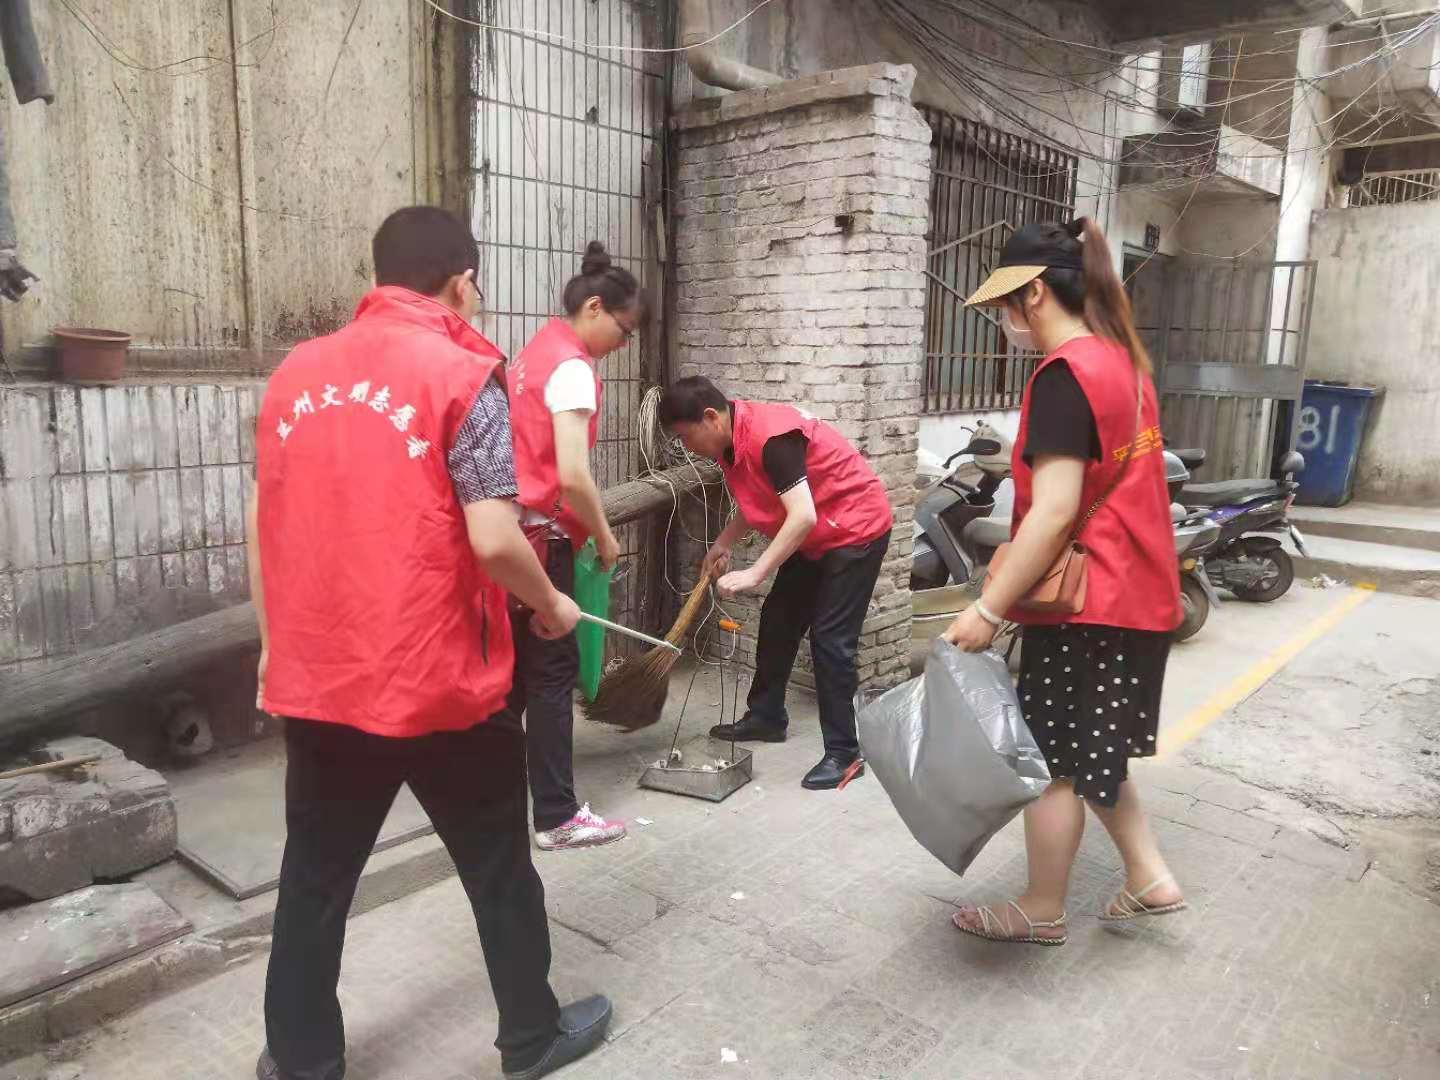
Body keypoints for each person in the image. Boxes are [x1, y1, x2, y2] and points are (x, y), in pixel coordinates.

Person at [248, 206, 611, 1080]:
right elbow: (492, 538)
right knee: (497, 870)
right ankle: (531, 1038)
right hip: (438, 682)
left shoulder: (293, 373)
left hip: (324, 680)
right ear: (461, 281)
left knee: (314, 883)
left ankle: (299, 1062)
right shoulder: (464, 373)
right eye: (476, 284)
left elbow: (265, 523)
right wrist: (552, 601)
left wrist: (272, 648)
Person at [942, 218, 1185, 946]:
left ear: (1035, 292)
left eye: (1003, 306)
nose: (1002, 321)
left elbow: (1051, 513)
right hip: (1139, 597)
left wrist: (989, 604)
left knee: (1052, 765)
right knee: (1090, 750)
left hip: (1089, 602)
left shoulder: (1063, 378)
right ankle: (1149, 878)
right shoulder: (1126, 367)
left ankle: (1042, 905)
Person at [658, 377, 894, 790]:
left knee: (831, 641)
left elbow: (801, 515)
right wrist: (723, 542)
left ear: (710, 417)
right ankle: (767, 716)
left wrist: (756, 572)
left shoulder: (771, 439)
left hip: (855, 528)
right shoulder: (729, 444)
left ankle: (845, 754)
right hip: (815, 533)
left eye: (685, 435)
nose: (685, 445)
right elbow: (761, 498)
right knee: (780, 618)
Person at [505, 241, 640, 851]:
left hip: (512, 535)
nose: (625, 341)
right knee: (553, 677)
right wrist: (607, 537)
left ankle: (498, 799)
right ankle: (556, 816)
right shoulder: (573, 368)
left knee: (512, 679)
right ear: (594, 307)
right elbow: (573, 475)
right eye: (624, 326)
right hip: (546, 539)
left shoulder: (534, 352)